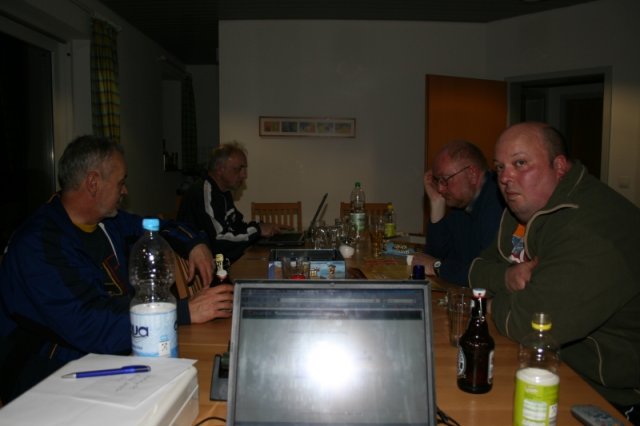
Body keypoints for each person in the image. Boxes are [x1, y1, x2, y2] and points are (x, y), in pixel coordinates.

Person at [0, 135, 234, 403]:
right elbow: (90, 326)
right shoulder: (38, 245)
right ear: (93, 183)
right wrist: (182, 311)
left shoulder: (107, 222)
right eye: (121, 182)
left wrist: (194, 244)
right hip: (45, 374)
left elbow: (160, 226)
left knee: (196, 380)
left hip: (110, 350)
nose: (125, 191)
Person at [469, 122, 640, 423]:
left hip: (614, 398)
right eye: (500, 167)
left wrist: (490, 303)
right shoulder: (522, 214)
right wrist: (507, 277)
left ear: (559, 166)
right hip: (556, 369)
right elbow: (477, 270)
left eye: (520, 163)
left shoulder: (591, 227)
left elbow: (531, 323)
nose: (505, 177)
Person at [412, 140, 505, 285]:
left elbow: (487, 275)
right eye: (438, 180)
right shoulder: (461, 204)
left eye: (445, 180)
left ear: (472, 174)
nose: (440, 189)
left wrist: (438, 267)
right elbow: (434, 257)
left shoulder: (499, 201)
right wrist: (437, 204)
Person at [177, 141, 281, 263]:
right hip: (207, 268)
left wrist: (263, 227)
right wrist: (257, 230)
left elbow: (236, 227)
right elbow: (219, 241)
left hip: (222, 262)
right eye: (239, 169)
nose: (244, 175)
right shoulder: (203, 193)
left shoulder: (223, 192)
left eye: (245, 169)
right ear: (220, 169)